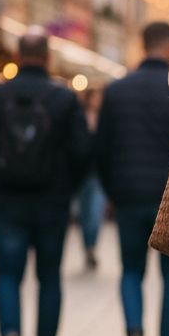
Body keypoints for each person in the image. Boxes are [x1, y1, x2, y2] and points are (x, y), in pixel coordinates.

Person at [0, 30, 92, 336]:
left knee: (8, 275)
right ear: (48, 57)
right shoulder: (64, 99)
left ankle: (10, 332)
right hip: (52, 202)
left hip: (6, 201)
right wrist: (67, 185)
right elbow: (83, 150)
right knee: (49, 277)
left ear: (17, 56)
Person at [95, 21, 169, 336]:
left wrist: (112, 191)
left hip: (129, 197)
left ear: (142, 44)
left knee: (131, 272)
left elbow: (100, 149)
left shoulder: (116, 91)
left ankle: (134, 331)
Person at [74, 88, 106, 270]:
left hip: (98, 173)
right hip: (83, 173)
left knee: (95, 213)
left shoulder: (104, 118)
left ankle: (92, 247)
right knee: (84, 214)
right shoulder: (80, 116)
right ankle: (87, 247)